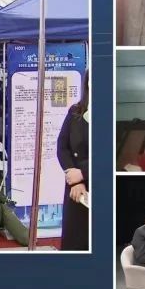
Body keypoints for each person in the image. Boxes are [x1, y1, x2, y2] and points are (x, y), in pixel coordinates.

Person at [57, 69, 89, 251]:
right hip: (75, 188)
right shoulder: (75, 111)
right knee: (73, 240)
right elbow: (62, 146)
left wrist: (84, 174)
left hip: (98, 183)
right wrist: (75, 178)